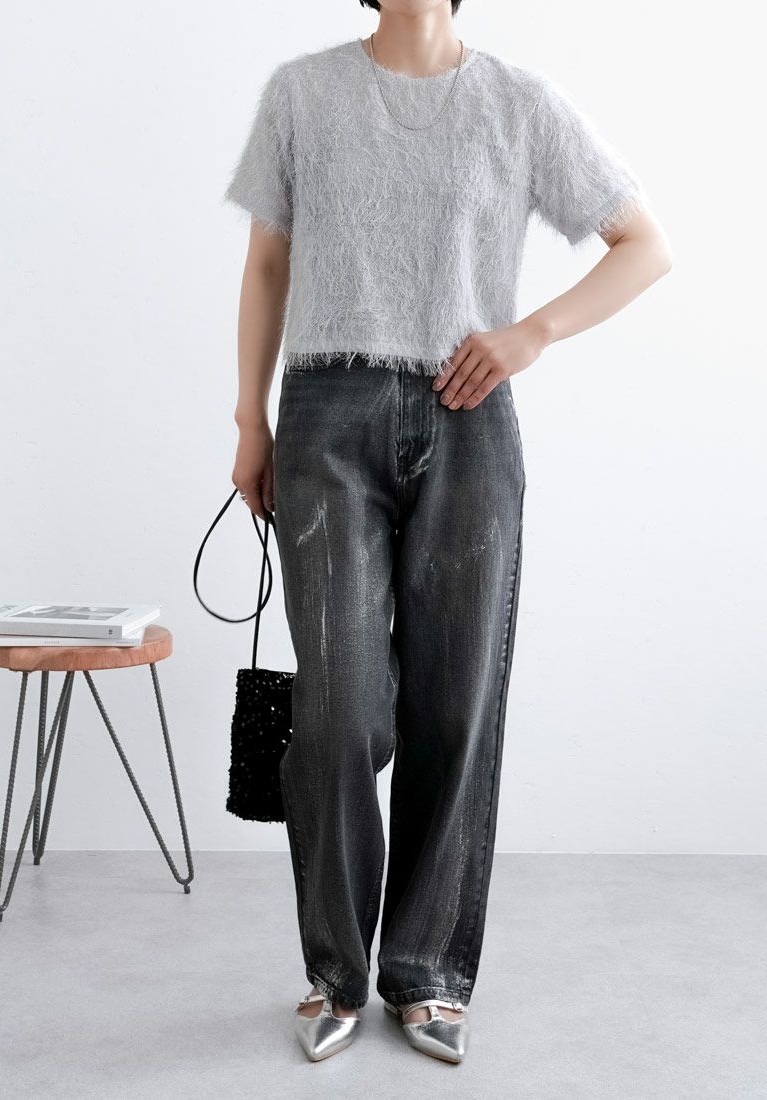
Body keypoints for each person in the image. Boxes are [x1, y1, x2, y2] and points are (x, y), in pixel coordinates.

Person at [223, 0, 671, 1066]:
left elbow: (645, 246)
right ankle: (335, 972)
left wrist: (529, 334)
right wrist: (250, 420)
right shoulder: (303, 93)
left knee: (457, 701)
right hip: (325, 416)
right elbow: (268, 264)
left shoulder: (519, 103)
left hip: (469, 417)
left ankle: (425, 974)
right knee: (342, 704)